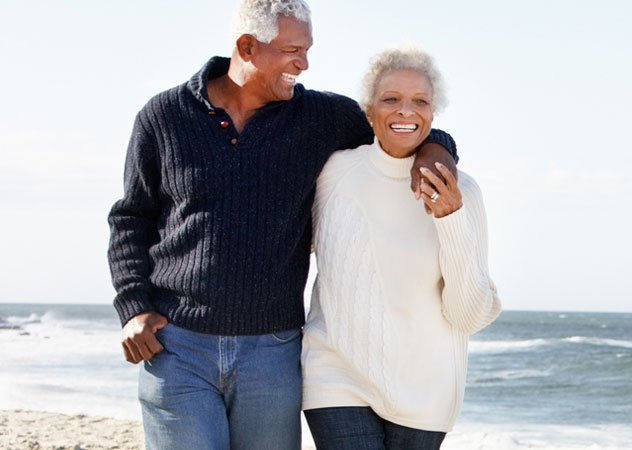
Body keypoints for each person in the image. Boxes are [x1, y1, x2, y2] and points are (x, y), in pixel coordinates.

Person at [106, 1, 458, 448]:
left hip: (272, 351)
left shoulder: (321, 118)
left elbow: (401, 126)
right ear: (247, 47)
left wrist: (436, 151)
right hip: (178, 347)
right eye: (293, 50)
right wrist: (134, 306)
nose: (304, 64)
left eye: (307, 50)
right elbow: (131, 218)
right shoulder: (164, 116)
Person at [301, 46, 502, 450]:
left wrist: (450, 219)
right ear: (369, 111)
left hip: (426, 390)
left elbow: (468, 315)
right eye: (390, 100)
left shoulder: (465, 193)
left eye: (420, 101)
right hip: (336, 375)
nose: (405, 112)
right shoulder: (332, 174)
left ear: (433, 112)